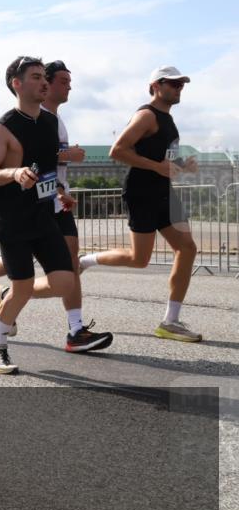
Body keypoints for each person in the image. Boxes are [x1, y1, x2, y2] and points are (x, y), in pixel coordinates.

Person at [0, 60, 111, 353]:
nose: (44, 82)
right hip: (12, 219)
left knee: (64, 281)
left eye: (44, 77)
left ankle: (6, 295)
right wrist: (14, 173)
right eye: (37, 77)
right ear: (17, 84)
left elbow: (47, 167)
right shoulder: (3, 128)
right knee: (24, 286)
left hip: (43, 215)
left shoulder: (50, 123)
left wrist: (60, 192)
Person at [79, 66, 201, 342]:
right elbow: (118, 150)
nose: (179, 88)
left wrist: (183, 165)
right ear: (156, 86)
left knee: (187, 248)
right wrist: (157, 167)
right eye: (174, 84)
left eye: (181, 84)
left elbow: (163, 159)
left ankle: (170, 321)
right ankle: (85, 261)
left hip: (164, 192)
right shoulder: (146, 115)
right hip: (142, 192)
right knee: (139, 259)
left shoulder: (168, 119)